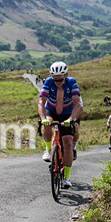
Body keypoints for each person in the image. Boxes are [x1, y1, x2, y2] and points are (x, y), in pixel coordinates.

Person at [38, 61, 82, 189]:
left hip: (67, 113)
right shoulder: (48, 82)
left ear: (66, 75)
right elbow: (41, 102)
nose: (58, 82)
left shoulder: (71, 82)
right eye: (55, 79)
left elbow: (77, 103)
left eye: (60, 79)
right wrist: (42, 118)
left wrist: (71, 119)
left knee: (68, 141)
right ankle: (48, 149)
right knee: (46, 124)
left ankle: (67, 177)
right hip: (51, 111)